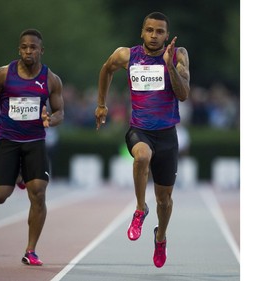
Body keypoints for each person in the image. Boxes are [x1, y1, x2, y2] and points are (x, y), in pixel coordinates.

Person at [95, 12, 190, 268]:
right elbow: (106, 69)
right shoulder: (126, 55)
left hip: (167, 134)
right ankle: (139, 209)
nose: (154, 35)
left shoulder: (178, 54)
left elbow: (183, 94)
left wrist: (169, 65)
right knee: (142, 156)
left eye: (160, 31)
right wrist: (102, 104)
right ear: (142, 32)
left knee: (165, 201)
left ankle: (160, 237)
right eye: (150, 30)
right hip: (140, 130)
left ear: (167, 35)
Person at [0, 29, 64, 266]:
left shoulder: (51, 79)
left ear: (41, 50)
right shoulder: (3, 74)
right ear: (19, 49)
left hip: (35, 141)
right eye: (24, 47)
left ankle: (31, 250)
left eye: (33, 47)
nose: (29, 51)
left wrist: (51, 119)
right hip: (8, 140)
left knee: (38, 194)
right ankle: (19, 173)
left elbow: (60, 112)